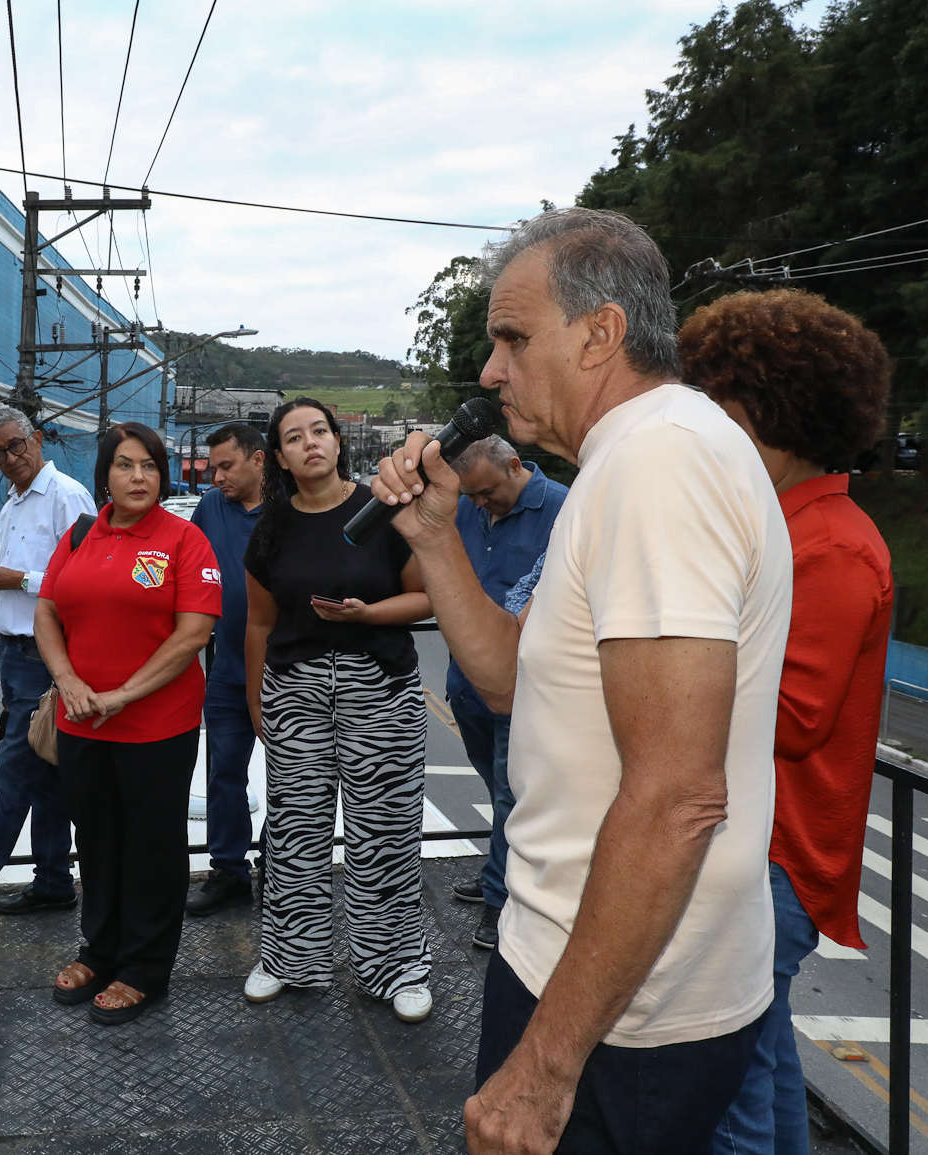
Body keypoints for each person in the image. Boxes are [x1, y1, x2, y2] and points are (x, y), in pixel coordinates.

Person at [371, 207, 791, 1154]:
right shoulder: (630, 461)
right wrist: (436, 538)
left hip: (617, 1010)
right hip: (582, 967)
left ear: (601, 332)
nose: (490, 371)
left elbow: (679, 795)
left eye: (514, 338)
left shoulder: (659, 464)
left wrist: (543, 1069)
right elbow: (518, 681)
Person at [677, 289, 895, 1155]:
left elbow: (796, 716)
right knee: (759, 1067)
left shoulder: (830, 544)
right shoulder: (790, 525)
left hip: (775, 855)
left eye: (719, 407)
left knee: (725, 1089)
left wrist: (660, 669)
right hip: (758, 845)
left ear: (767, 412)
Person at [240, 398, 436, 1022]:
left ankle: (398, 965)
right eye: (294, 438)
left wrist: (366, 614)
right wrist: (257, 707)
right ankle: (289, 958)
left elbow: (427, 597)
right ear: (279, 458)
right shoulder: (270, 526)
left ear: (337, 439)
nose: (310, 443)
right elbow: (259, 624)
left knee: (385, 832)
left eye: (319, 431)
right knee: (295, 831)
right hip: (294, 689)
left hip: (378, 685)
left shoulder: (382, 509)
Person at [35, 421, 221, 1025]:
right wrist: (68, 681)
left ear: (163, 474)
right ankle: (100, 948)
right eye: (124, 465)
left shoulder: (184, 540)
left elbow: (194, 633)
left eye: (148, 465)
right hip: (81, 721)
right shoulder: (80, 534)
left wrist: (122, 694)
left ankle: (144, 967)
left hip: (155, 727)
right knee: (96, 838)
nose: (137, 476)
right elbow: (46, 612)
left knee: (152, 845)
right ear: (105, 475)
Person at [0, 406, 95, 934]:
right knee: (47, 775)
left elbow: (83, 581)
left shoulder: (67, 496)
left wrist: (13, 577)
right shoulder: (12, 504)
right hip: (13, 652)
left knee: (11, 777)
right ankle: (54, 882)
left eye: (16, 445)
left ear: (36, 438)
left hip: (46, 657)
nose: (10, 459)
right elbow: (30, 579)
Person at [442, 434, 567, 951]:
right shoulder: (466, 510)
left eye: (487, 492)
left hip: (526, 684)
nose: (478, 504)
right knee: (495, 788)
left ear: (516, 466)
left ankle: (500, 902)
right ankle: (500, 869)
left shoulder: (563, 509)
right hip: (464, 679)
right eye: (469, 496)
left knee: (509, 792)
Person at [186, 421, 267, 917]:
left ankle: (280, 867)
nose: (215, 477)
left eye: (226, 466)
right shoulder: (210, 508)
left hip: (285, 670)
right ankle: (229, 871)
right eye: (212, 466)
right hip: (227, 667)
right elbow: (185, 567)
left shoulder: (290, 508)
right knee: (223, 773)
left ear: (259, 460)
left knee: (292, 778)